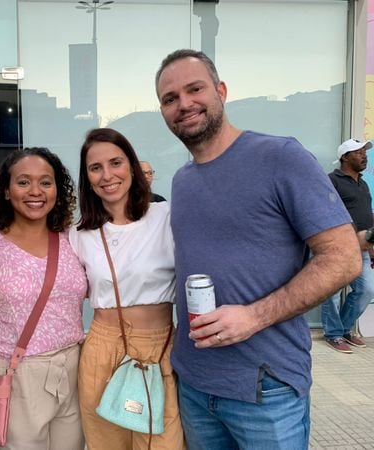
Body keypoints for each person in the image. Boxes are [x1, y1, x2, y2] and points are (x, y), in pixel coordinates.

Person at [155, 49, 362, 449]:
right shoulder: (182, 182)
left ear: (221, 91)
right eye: (169, 98)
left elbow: (344, 257)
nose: (184, 104)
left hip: (266, 388)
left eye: (194, 89)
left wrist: (253, 316)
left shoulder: (280, 157)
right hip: (195, 385)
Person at [69, 128, 185, 450]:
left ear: (132, 166)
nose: (107, 175)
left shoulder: (166, 216)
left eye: (115, 162)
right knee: (106, 443)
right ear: (87, 176)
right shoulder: (79, 233)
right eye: (95, 168)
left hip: (160, 347)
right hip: (102, 348)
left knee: (165, 442)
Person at [0, 147, 87, 450]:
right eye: (23, 182)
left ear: (58, 190)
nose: (36, 191)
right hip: (12, 373)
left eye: (46, 182)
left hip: (72, 368)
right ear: (5, 190)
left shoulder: (72, 238)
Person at [321, 139, 374, 353]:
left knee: (366, 290)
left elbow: (367, 215)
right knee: (332, 293)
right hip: (337, 247)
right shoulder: (331, 180)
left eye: (364, 152)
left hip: (361, 249)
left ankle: (343, 329)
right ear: (345, 157)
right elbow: (325, 213)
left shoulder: (363, 183)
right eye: (358, 152)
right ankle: (333, 334)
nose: (364, 155)